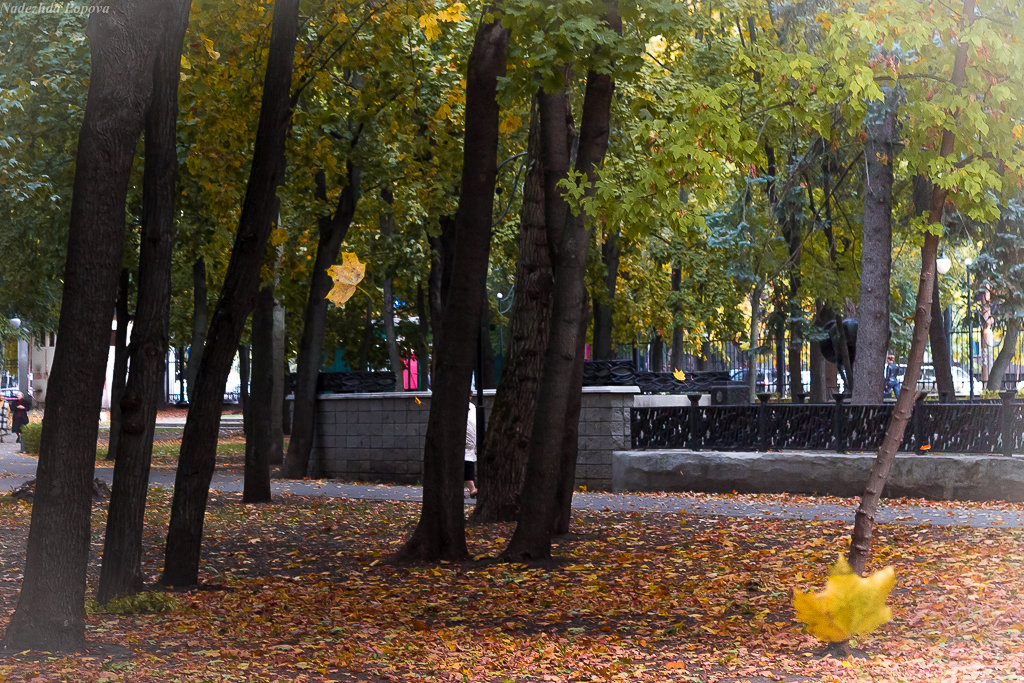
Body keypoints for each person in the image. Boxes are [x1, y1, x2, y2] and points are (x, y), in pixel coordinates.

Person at [465, 396, 477, 498]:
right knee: (467, 465)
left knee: (468, 465)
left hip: (471, 443)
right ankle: (472, 488)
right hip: (465, 442)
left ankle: (472, 488)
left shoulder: (472, 407)